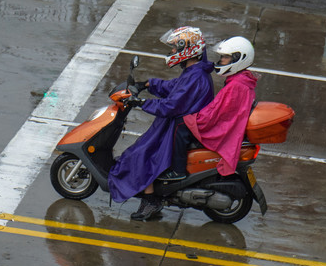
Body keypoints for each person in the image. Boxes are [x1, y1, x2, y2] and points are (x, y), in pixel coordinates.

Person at [108, 26, 214, 221]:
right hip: (174, 123)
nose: (172, 52)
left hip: (176, 125)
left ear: (187, 49)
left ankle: (151, 201)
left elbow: (171, 105)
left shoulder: (196, 76)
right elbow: (173, 87)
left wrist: (141, 102)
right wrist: (148, 84)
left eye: (174, 48)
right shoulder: (194, 72)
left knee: (141, 156)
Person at [164, 36, 258, 180]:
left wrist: (195, 117)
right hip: (229, 120)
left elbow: (218, 113)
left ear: (238, 59)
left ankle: (178, 170)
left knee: (180, 124)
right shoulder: (241, 79)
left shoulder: (236, 86)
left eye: (225, 57)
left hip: (224, 126)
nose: (221, 61)